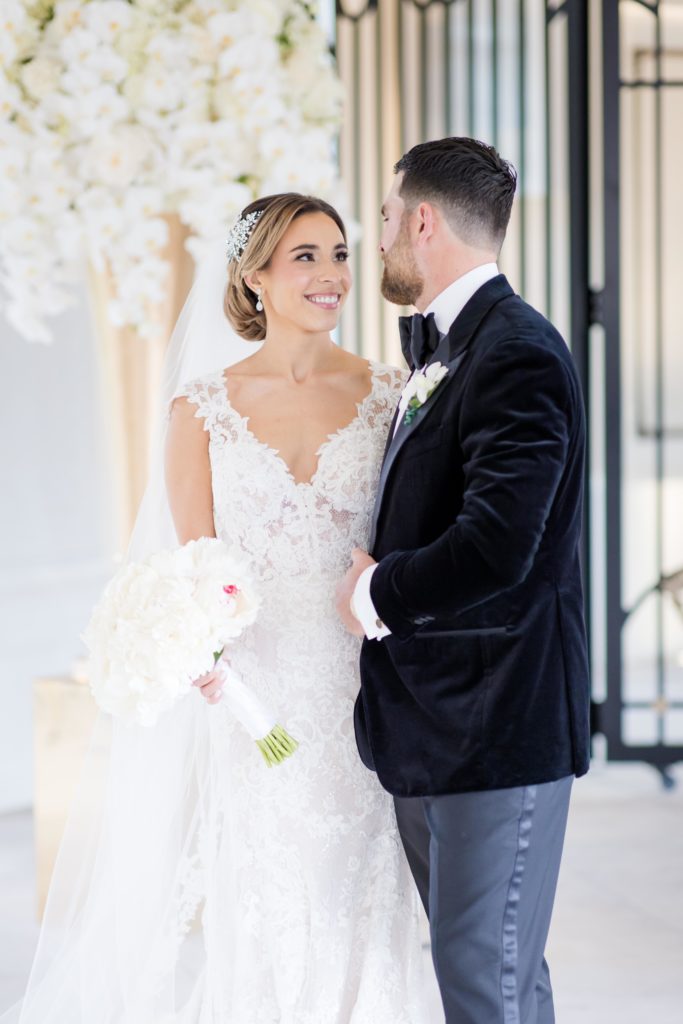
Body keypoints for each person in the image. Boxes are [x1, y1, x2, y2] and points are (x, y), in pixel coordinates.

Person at [3, 194, 427, 1023]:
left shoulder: (391, 397)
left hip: (366, 696)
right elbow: (194, 569)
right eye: (304, 256)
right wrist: (200, 656)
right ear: (255, 275)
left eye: (339, 253)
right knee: (268, 901)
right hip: (257, 708)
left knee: (365, 898)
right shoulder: (201, 410)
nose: (330, 274)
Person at [336, 137, 591, 1023]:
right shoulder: (451, 349)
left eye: (378, 221)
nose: (373, 242)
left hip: (498, 728)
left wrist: (376, 594)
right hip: (436, 729)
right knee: (493, 978)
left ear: (420, 219)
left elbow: (497, 546)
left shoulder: (515, 351)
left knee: (483, 979)